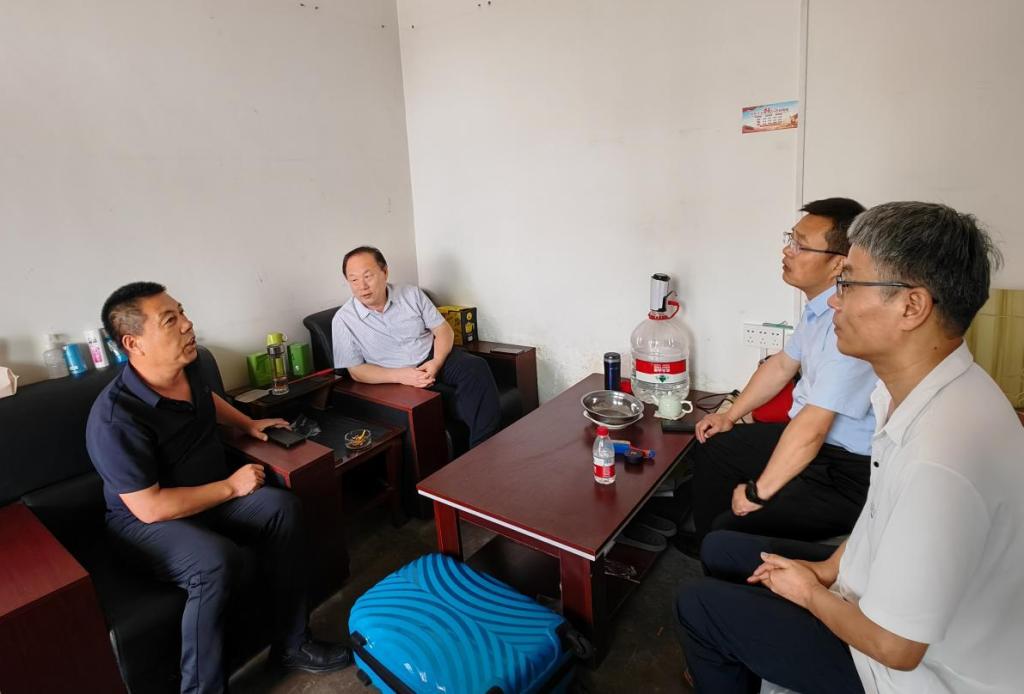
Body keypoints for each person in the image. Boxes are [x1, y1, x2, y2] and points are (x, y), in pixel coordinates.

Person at [676, 201, 1022, 693]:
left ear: (912, 306)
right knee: (721, 545)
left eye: (849, 283)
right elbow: (876, 518)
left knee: (697, 605)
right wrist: (825, 570)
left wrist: (810, 593)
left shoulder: (942, 459)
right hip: (865, 592)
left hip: (908, 674)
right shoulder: (913, 395)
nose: (835, 303)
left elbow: (897, 649)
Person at [86, 282, 350, 694]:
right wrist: (230, 487)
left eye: (182, 312)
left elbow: (207, 398)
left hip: (205, 495)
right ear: (133, 343)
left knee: (283, 509)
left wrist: (247, 423)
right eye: (170, 320)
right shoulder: (115, 419)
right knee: (213, 562)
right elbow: (150, 508)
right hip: (147, 523)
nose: (187, 324)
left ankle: (292, 644)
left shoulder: (188, 368)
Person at [688, 198, 876, 543]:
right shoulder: (820, 308)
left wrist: (757, 493)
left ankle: (720, 543)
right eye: (791, 239)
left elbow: (814, 427)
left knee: (731, 527)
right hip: (812, 440)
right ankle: (705, 544)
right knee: (714, 446)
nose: (787, 251)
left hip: (845, 470)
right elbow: (781, 365)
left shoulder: (849, 326)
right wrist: (730, 415)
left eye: (800, 245)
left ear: (839, 263)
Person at [332, 246, 501, 448]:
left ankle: (484, 453)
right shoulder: (343, 320)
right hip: (394, 377)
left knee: (476, 367)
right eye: (354, 280)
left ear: (385, 272)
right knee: (467, 401)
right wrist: (401, 376)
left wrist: (436, 362)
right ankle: (485, 454)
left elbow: (444, 331)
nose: (362, 286)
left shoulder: (410, 294)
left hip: (432, 356)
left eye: (368, 276)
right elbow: (356, 371)